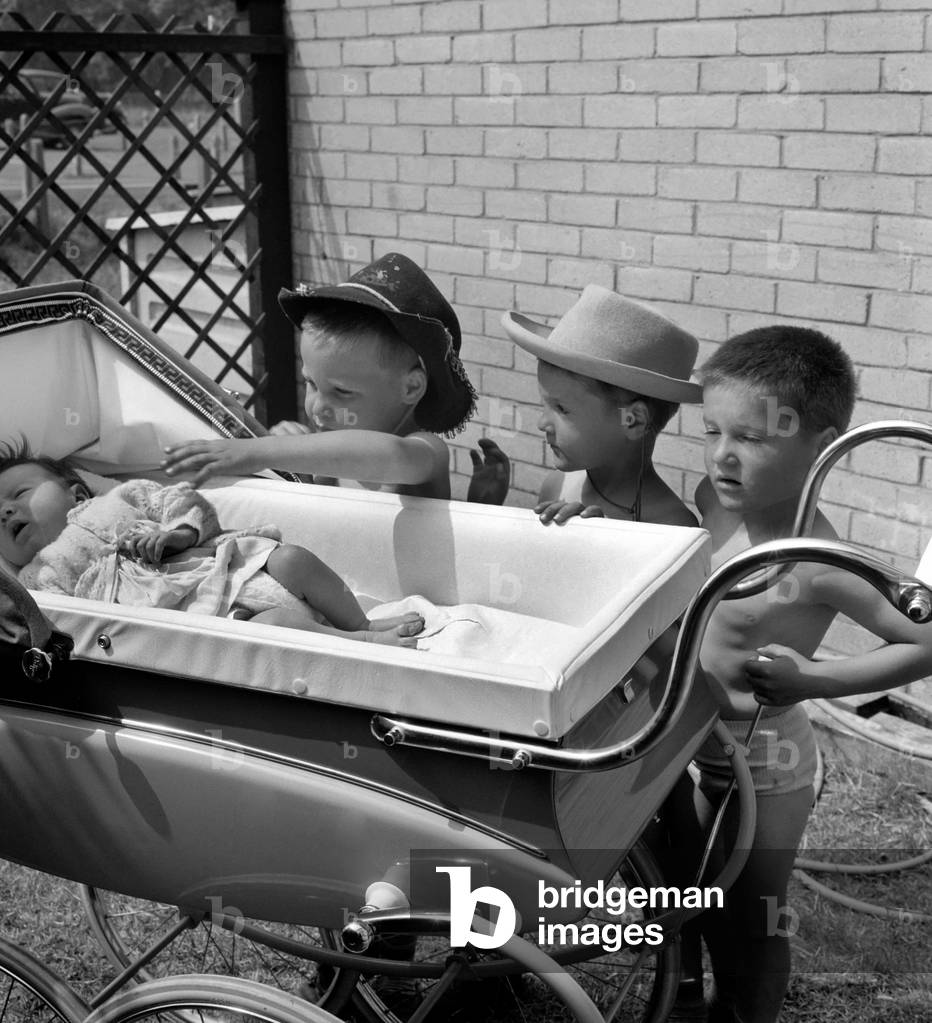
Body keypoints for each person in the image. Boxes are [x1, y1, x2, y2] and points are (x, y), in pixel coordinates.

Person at [673, 326, 932, 1023]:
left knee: (754, 914)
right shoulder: (711, 499)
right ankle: (687, 996)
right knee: (690, 890)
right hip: (693, 748)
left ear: (819, 445)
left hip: (767, 760)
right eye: (712, 430)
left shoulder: (816, 559)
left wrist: (814, 680)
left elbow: (925, 639)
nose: (723, 454)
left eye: (750, 438)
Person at [0, 442, 423, 646]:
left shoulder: (120, 497)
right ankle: (357, 643)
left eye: (19, 495)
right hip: (197, 618)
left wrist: (178, 534)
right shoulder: (39, 573)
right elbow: (56, 619)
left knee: (294, 559)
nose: (8, 512)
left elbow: (185, 500)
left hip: (225, 567)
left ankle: (358, 620)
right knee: (277, 624)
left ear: (76, 493)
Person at [160, 253, 477, 500]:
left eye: (342, 392)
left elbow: (390, 456)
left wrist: (255, 452)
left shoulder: (425, 451)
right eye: (311, 384)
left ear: (411, 387)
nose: (318, 408)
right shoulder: (329, 463)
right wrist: (298, 467)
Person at [501, 284, 702, 527]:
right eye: (545, 405)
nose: (542, 423)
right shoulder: (557, 486)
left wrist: (603, 545)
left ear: (634, 420)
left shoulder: (671, 526)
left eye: (562, 409)